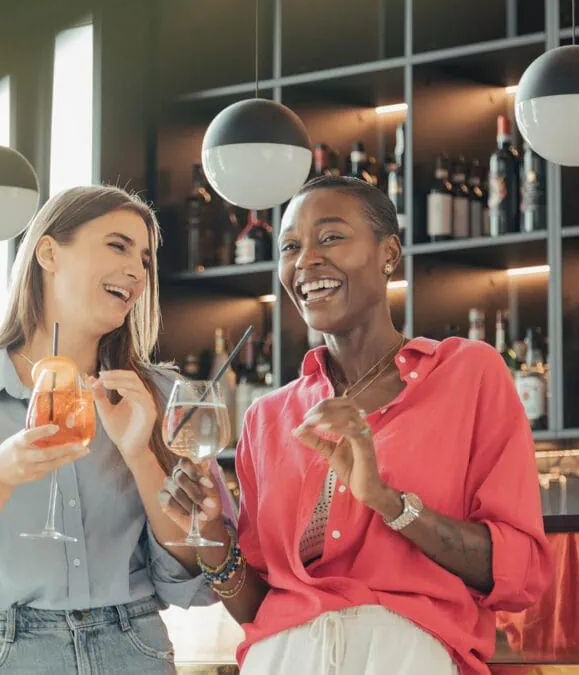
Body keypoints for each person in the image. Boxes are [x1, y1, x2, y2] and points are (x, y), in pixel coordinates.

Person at [160, 175, 553, 675]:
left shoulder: (469, 373)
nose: (305, 262)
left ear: (389, 254)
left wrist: (387, 502)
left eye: (330, 238)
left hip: (406, 656)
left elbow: (520, 574)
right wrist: (213, 533)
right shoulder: (267, 417)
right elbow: (258, 605)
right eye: (290, 247)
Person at [0, 185, 228, 675]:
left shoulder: (160, 395)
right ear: (48, 252)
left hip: (133, 650)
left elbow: (194, 576)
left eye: (146, 259)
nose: (137, 271)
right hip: (6, 654)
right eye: (117, 245)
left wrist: (140, 455)